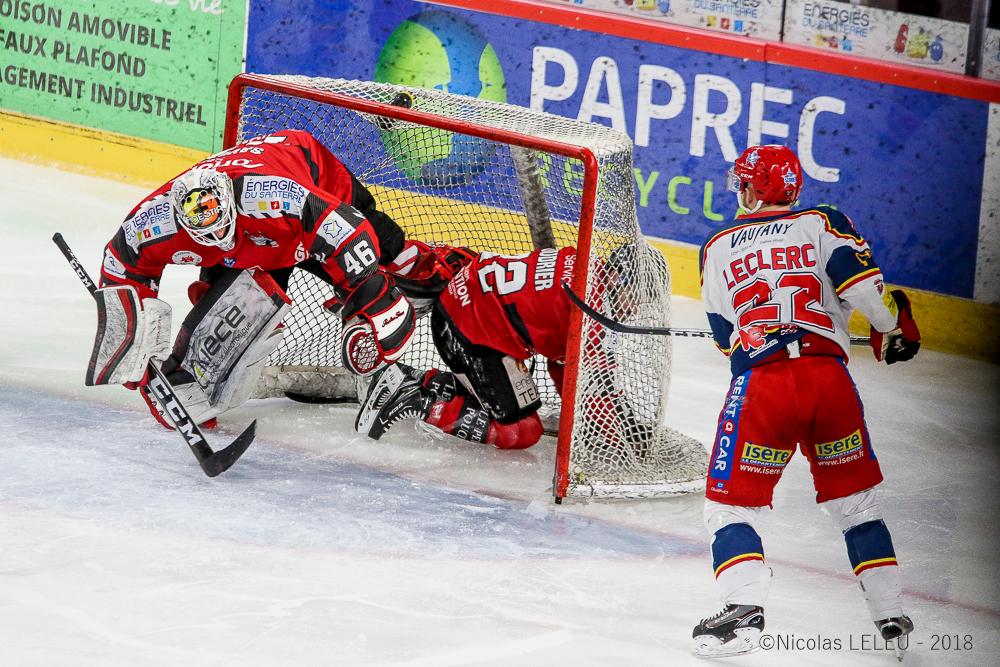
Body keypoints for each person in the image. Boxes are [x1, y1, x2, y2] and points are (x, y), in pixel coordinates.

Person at [692, 144, 921, 657]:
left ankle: (743, 611)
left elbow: (726, 338)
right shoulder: (823, 222)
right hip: (829, 382)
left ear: (756, 189)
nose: (740, 190)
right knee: (856, 506)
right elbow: (865, 291)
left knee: (730, 508)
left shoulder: (717, 245)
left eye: (744, 182)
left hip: (763, 389)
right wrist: (891, 326)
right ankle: (890, 614)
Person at [89, 129, 418, 428]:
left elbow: (345, 228)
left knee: (387, 248)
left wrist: (368, 292)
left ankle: (418, 280)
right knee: (231, 317)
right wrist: (132, 345)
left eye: (217, 219)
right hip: (251, 246)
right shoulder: (156, 222)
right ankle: (196, 385)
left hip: (306, 171)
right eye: (203, 228)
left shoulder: (273, 195)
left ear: (228, 200)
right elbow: (120, 266)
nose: (215, 234)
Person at [354, 242, 658, 453]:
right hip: (470, 332)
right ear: (617, 278)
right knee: (521, 432)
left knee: (518, 408)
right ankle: (416, 398)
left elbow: (564, 366)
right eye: (638, 296)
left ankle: (421, 382)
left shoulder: (584, 262)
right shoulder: (593, 314)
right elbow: (595, 391)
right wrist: (623, 443)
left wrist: (600, 420)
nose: (635, 309)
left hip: (471, 310)